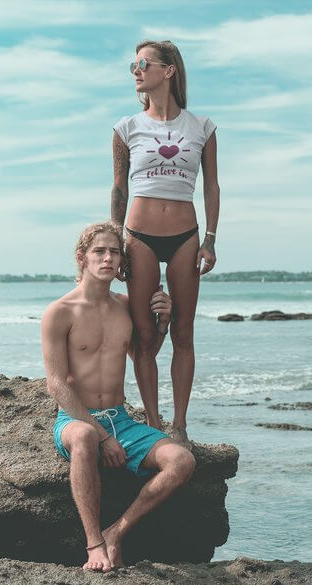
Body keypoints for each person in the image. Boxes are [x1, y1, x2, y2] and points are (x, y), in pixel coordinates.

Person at [41, 221, 196, 573]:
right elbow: (56, 384)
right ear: (82, 258)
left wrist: (162, 324)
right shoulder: (59, 312)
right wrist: (101, 436)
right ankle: (94, 543)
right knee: (83, 438)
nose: (108, 258)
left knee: (182, 461)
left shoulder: (125, 306)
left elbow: (144, 355)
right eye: (100, 251)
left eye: (114, 252)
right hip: (76, 418)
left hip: (120, 418)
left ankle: (116, 533)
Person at [111, 40, 220, 444]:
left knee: (184, 333)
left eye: (142, 63)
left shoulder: (202, 127)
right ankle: (154, 425)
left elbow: (212, 186)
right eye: (132, 64)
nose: (135, 71)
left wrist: (209, 238)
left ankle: (181, 426)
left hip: (186, 238)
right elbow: (119, 189)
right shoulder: (126, 128)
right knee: (143, 335)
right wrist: (116, 238)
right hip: (138, 237)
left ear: (168, 70)